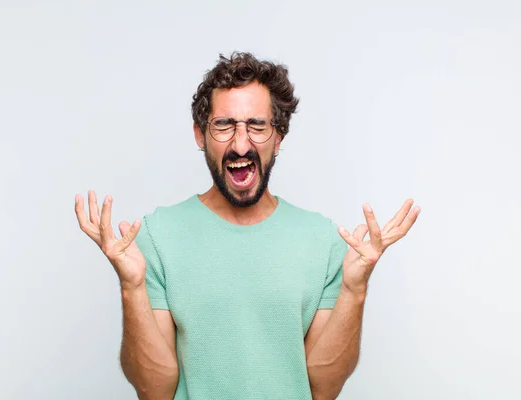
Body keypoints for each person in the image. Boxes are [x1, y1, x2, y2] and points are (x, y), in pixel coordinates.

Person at [74, 52, 420, 400]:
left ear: (278, 138)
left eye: (257, 126)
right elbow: (155, 391)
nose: (241, 144)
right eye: (224, 125)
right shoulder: (156, 236)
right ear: (200, 135)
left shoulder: (324, 242)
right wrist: (131, 287)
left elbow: (323, 389)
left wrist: (354, 290)